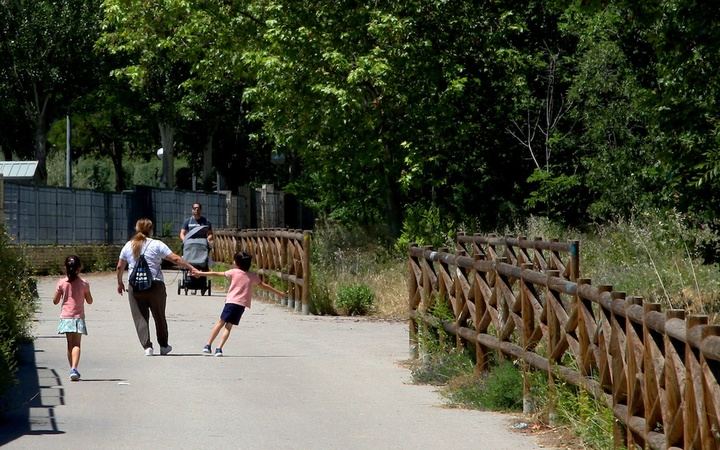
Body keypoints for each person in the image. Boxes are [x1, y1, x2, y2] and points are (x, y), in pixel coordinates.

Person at [117, 218, 197, 356]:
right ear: (151, 230)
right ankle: (164, 346)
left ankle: (147, 347)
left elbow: (120, 266)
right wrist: (190, 267)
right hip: (155, 285)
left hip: (135, 286)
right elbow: (175, 259)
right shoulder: (157, 244)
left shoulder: (128, 245)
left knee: (140, 317)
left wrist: (119, 282)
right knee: (159, 316)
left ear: (137, 229)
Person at [193, 251, 285, 357]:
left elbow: (216, 274)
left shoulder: (234, 272)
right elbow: (264, 286)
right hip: (241, 305)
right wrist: (279, 293)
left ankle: (208, 345)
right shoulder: (252, 276)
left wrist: (200, 273)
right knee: (229, 326)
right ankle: (219, 349)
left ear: (236, 263)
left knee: (220, 323)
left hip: (231, 302)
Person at [54, 255, 94, 381]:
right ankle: (74, 368)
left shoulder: (61, 283)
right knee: (77, 344)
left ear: (65, 268)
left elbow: (55, 301)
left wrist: (60, 294)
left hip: (66, 317)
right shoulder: (84, 283)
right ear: (79, 268)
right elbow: (89, 301)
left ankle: (72, 368)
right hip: (78, 317)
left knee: (69, 344)